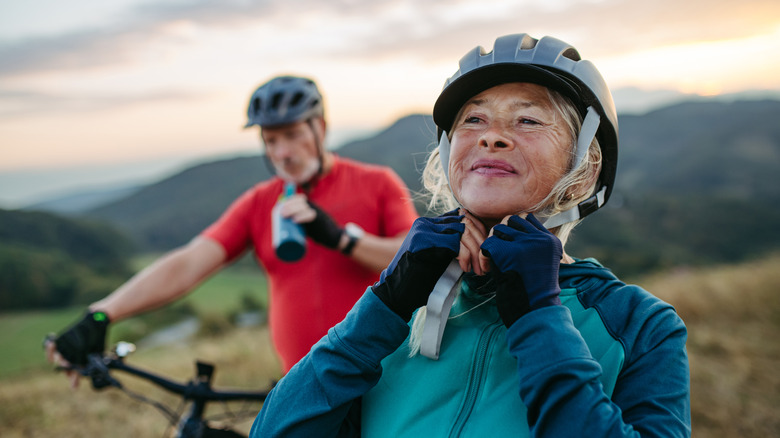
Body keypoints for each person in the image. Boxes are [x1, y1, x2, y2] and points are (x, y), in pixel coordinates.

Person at [249, 34, 691, 437]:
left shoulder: (640, 325)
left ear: (583, 170)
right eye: (474, 119)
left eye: (529, 121)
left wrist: (540, 317)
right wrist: (387, 301)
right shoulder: (399, 321)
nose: (492, 137)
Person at [46, 75, 418, 382]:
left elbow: (414, 256)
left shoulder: (377, 183)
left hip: (382, 376)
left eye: (291, 135)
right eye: (270, 140)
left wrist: (342, 238)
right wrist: (102, 313)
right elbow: (189, 263)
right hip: (303, 384)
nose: (282, 152)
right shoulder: (260, 202)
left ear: (319, 128)